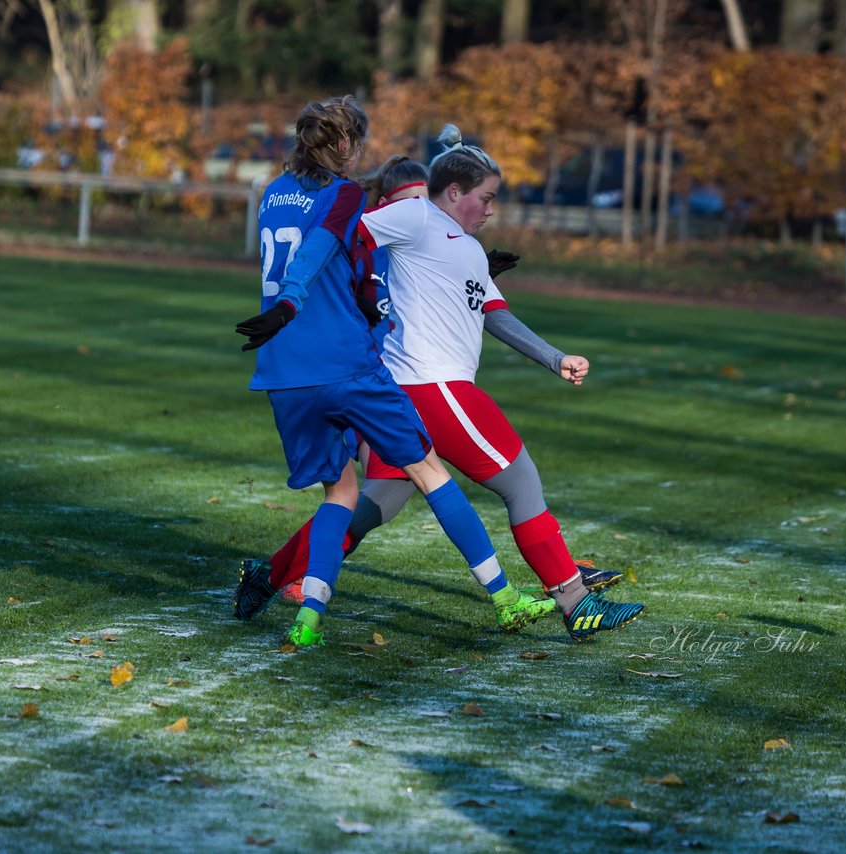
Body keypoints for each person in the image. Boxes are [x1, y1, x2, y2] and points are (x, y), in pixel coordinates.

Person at [239, 130, 645, 643]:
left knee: (370, 507)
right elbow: (342, 235)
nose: (491, 210)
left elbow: (494, 313)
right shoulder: (417, 215)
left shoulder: (466, 247)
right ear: (452, 192)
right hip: (435, 387)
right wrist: (309, 293)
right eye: (487, 198)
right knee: (522, 484)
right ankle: (574, 599)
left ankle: (268, 575)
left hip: (409, 389)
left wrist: (554, 358)